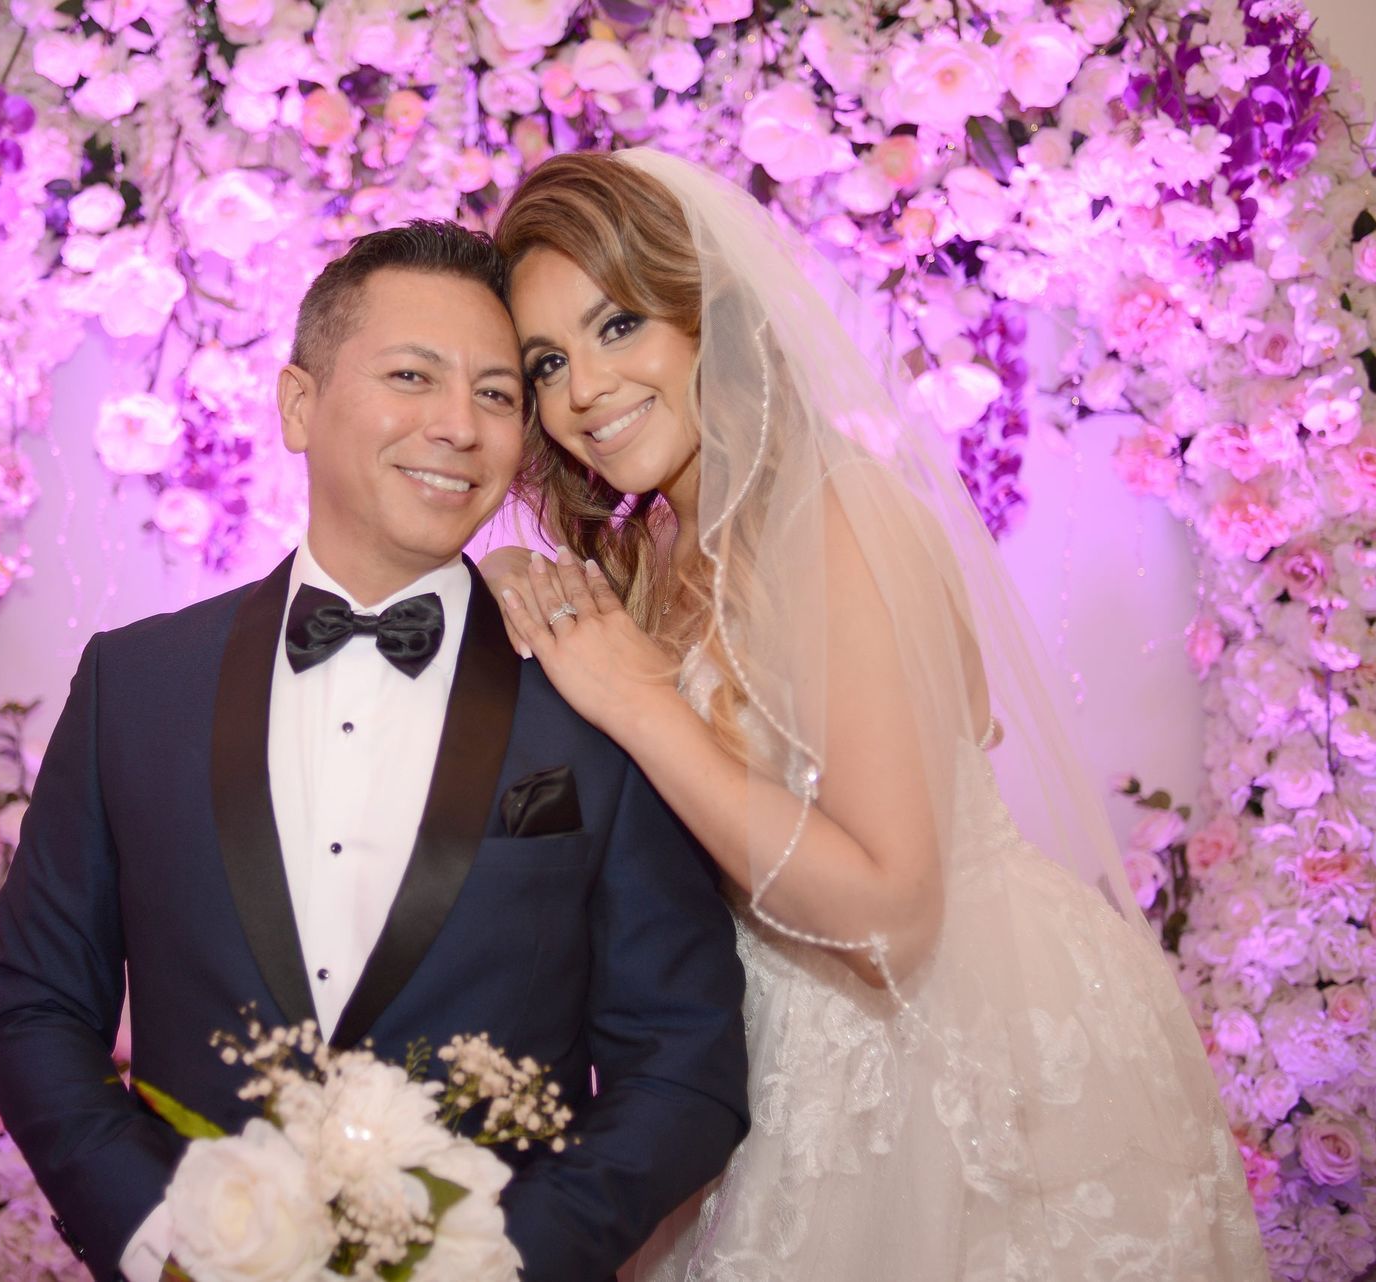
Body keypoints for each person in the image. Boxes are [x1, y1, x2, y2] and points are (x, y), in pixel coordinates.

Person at [483, 150, 1267, 1280]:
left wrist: (642, 702)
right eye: (548, 361)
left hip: (950, 1061)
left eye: (619, 327)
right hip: (762, 1051)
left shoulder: (833, 515)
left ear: (713, 318)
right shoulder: (655, 547)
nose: (584, 392)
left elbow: (895, 914)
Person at [0, 219, 749, 1282]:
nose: (459, 427)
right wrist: (167, 1243)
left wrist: (500, 1262)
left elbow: (685, 1063)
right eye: (411, 376)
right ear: (299, 405)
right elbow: (34, 1010)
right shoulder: (133, 687)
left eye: (495, 394)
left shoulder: (598, 690)